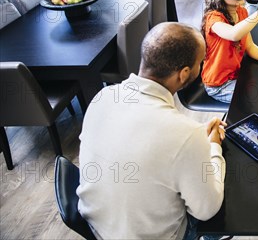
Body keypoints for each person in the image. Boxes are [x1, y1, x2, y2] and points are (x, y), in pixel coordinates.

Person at [78, 22, 227, 240]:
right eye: (201, 63)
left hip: (98, 229)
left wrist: (193, 143)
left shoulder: (103, 97)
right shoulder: (186, 134)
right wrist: (213, 147)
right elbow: (207, 210)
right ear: (184, 74)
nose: (202, 67)